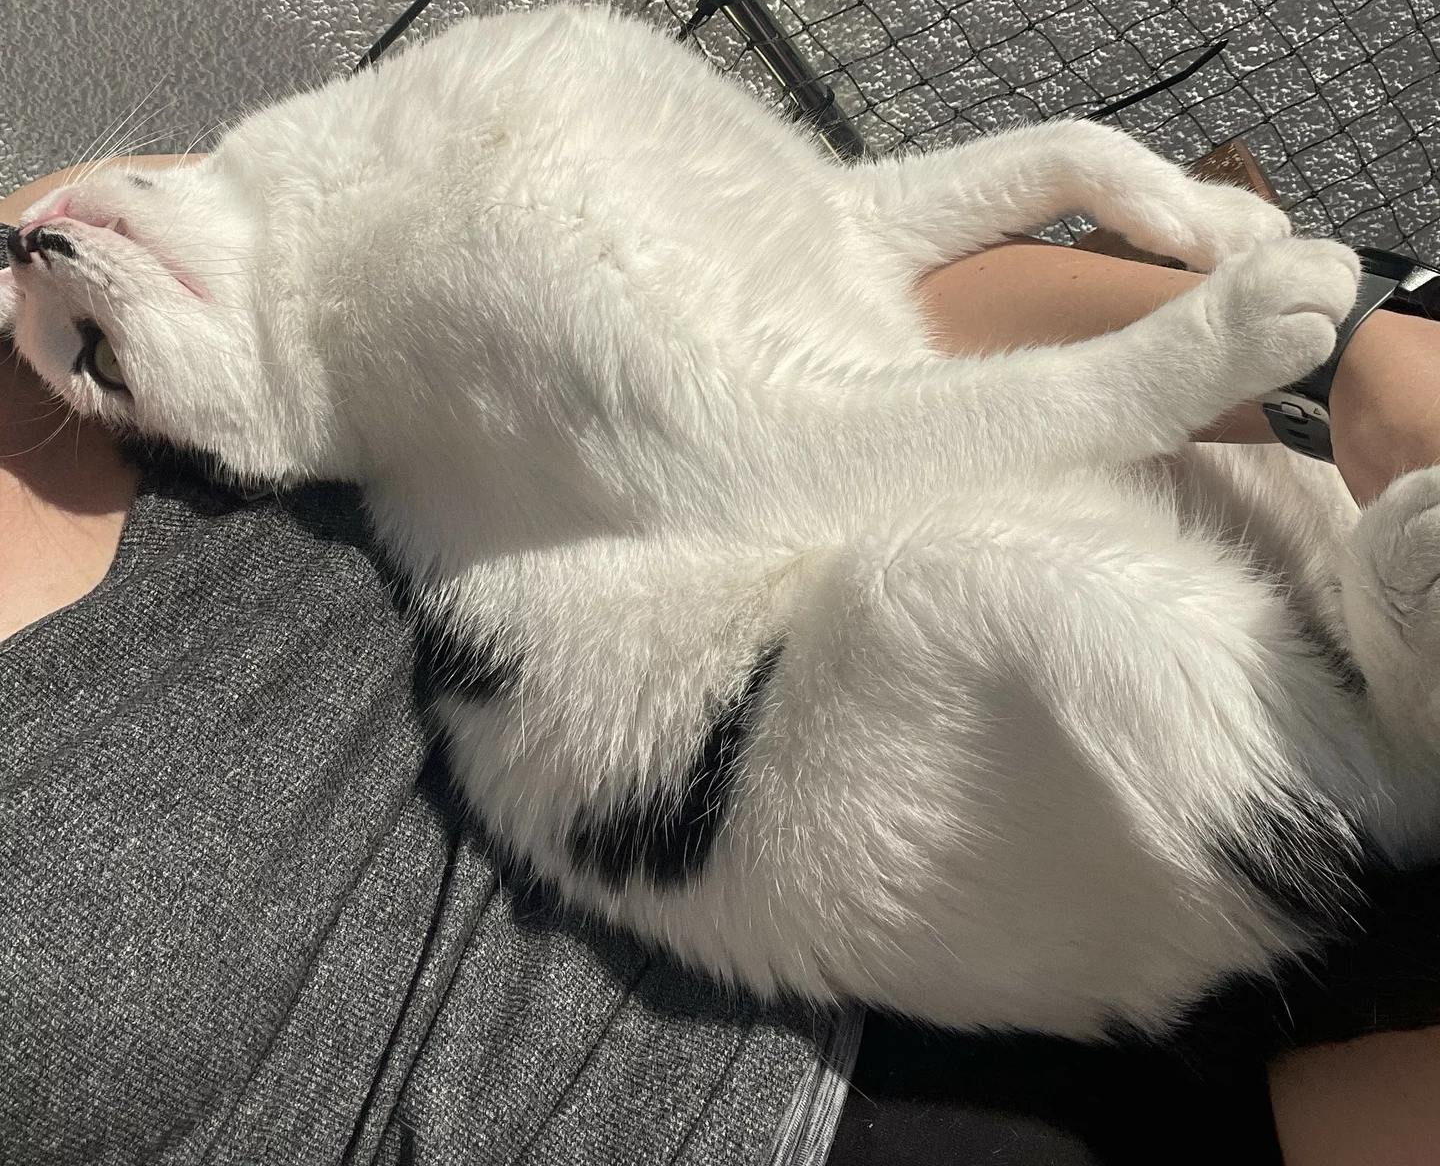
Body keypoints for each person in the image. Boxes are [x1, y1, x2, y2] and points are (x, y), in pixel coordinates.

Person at [4, 155, 1440, 1166]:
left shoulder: (57, 279)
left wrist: (1345, 364)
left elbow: (801, 289)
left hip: (930, 726)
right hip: (836, 1050)